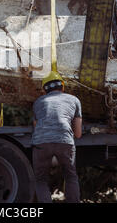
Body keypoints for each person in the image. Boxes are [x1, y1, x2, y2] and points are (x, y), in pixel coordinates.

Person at [31, 70, 82, 203]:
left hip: (41, 143)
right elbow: (78, 133)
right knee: (70, 176)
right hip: (64, 141)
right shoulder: (74, 100)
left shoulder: (37, 102)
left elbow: (36, 127)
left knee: (41, 180)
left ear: (44, 90)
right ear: (63, 86)